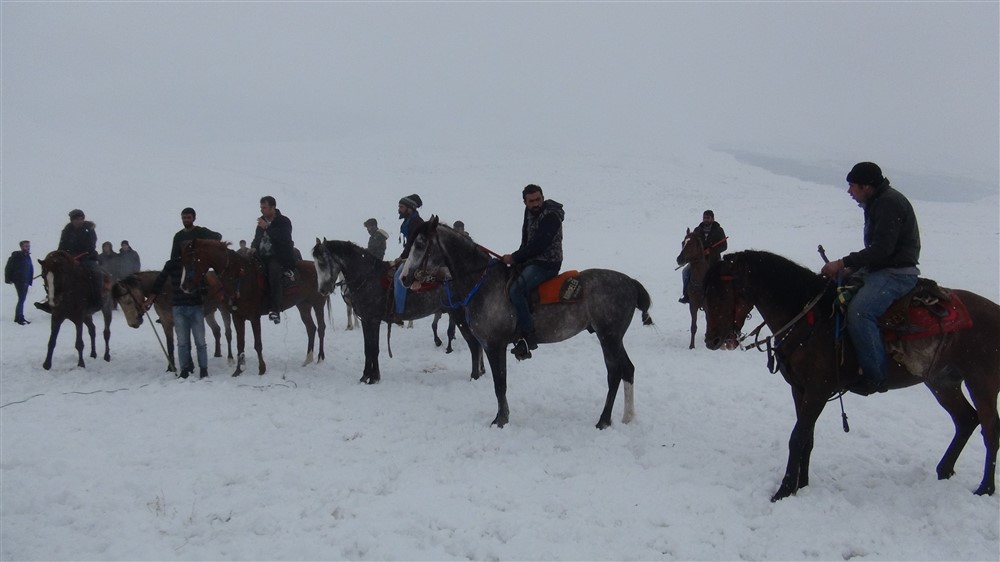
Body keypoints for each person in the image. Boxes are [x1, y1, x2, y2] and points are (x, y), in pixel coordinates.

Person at [820, 162, 921, 396]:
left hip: (896, 273)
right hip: (881, 268)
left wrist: (843, 263)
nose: (849, 192)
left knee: (859, 313)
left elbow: (883, 250)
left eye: (852, 186)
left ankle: (876, 376)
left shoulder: (889, 203)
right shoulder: (876, 202)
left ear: (866, 186)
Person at [502, 184, 565, 360]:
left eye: (538, 199)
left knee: (516, 290)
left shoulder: (551, 216)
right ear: (525, 202)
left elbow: (539, 244)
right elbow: (526, 241)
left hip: (548, 263)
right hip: (532, 260)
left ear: (543, 198)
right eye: (531, 201)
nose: (536, 204)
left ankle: (528, 336)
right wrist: (516, 260)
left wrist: (514, 257)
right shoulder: (528, 213)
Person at [144, 258, 209, 379]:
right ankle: (184, 369)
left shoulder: (196, 264)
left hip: (194, 306)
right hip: (179, 306)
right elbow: (160, 281)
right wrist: (150, 299)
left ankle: (203, 369)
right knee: (183, 342)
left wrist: (200, 291)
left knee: (200, 341)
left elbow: (205, 284)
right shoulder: (171, 265)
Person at [37, 209, 102, 312]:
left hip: (87, 258)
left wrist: (79, 256)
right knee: (54, 274)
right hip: (69, 259)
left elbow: (90, 246)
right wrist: (59, 257)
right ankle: (51, 299)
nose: (79, 221)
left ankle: (97, 300)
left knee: (96, 273)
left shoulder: (89, 229)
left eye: (81, 219)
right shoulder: (67, 230)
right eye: (76, 219)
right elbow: (62, 246)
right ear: (72, 220)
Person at [251, 196, 297, 324]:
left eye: (264, 208)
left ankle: (274, 309)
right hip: (261, 256)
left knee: (274, 273)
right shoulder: (261, 222)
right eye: (261, 208)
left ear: (273, 207)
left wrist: (267, 227)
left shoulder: (283, 221)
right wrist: (253, 248)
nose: (262, 210)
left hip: (278, 256)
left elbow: (284, 239)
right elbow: (257, 238)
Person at [679, 210, 728, 303]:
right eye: (704, 217)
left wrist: (711, 251)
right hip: (699, 260)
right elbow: (693, 245)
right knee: (685, 272)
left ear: (713, 219)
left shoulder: (718, 230)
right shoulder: (697, 230)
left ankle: (722, 294)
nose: (705, 220)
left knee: (722, 273)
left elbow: (724, 246)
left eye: (708, 218)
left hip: (714, 259)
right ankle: (686, 295)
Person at [391, 194, 424, 319]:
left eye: (401, 207)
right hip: (410, 255)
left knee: (399, 278)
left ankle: (399, 312)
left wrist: (402, 257)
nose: (399, 209)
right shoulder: (409, 221)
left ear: (410, 208)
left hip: (417, 257)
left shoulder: (416, 223)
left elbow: (412, 243)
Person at [5, 240, 33, 325]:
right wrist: (8, 279)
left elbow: (29, 268)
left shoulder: (27, 256)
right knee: (21, 299)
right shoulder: (17, 255)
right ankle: (18, 318)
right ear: (21, 247)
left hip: (25, 281)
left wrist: (29, 279)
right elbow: (9, 267)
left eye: (28, 246)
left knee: (22, 299)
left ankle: (20, 317)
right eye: (26, 246)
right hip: (19, 281)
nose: (28, 247)